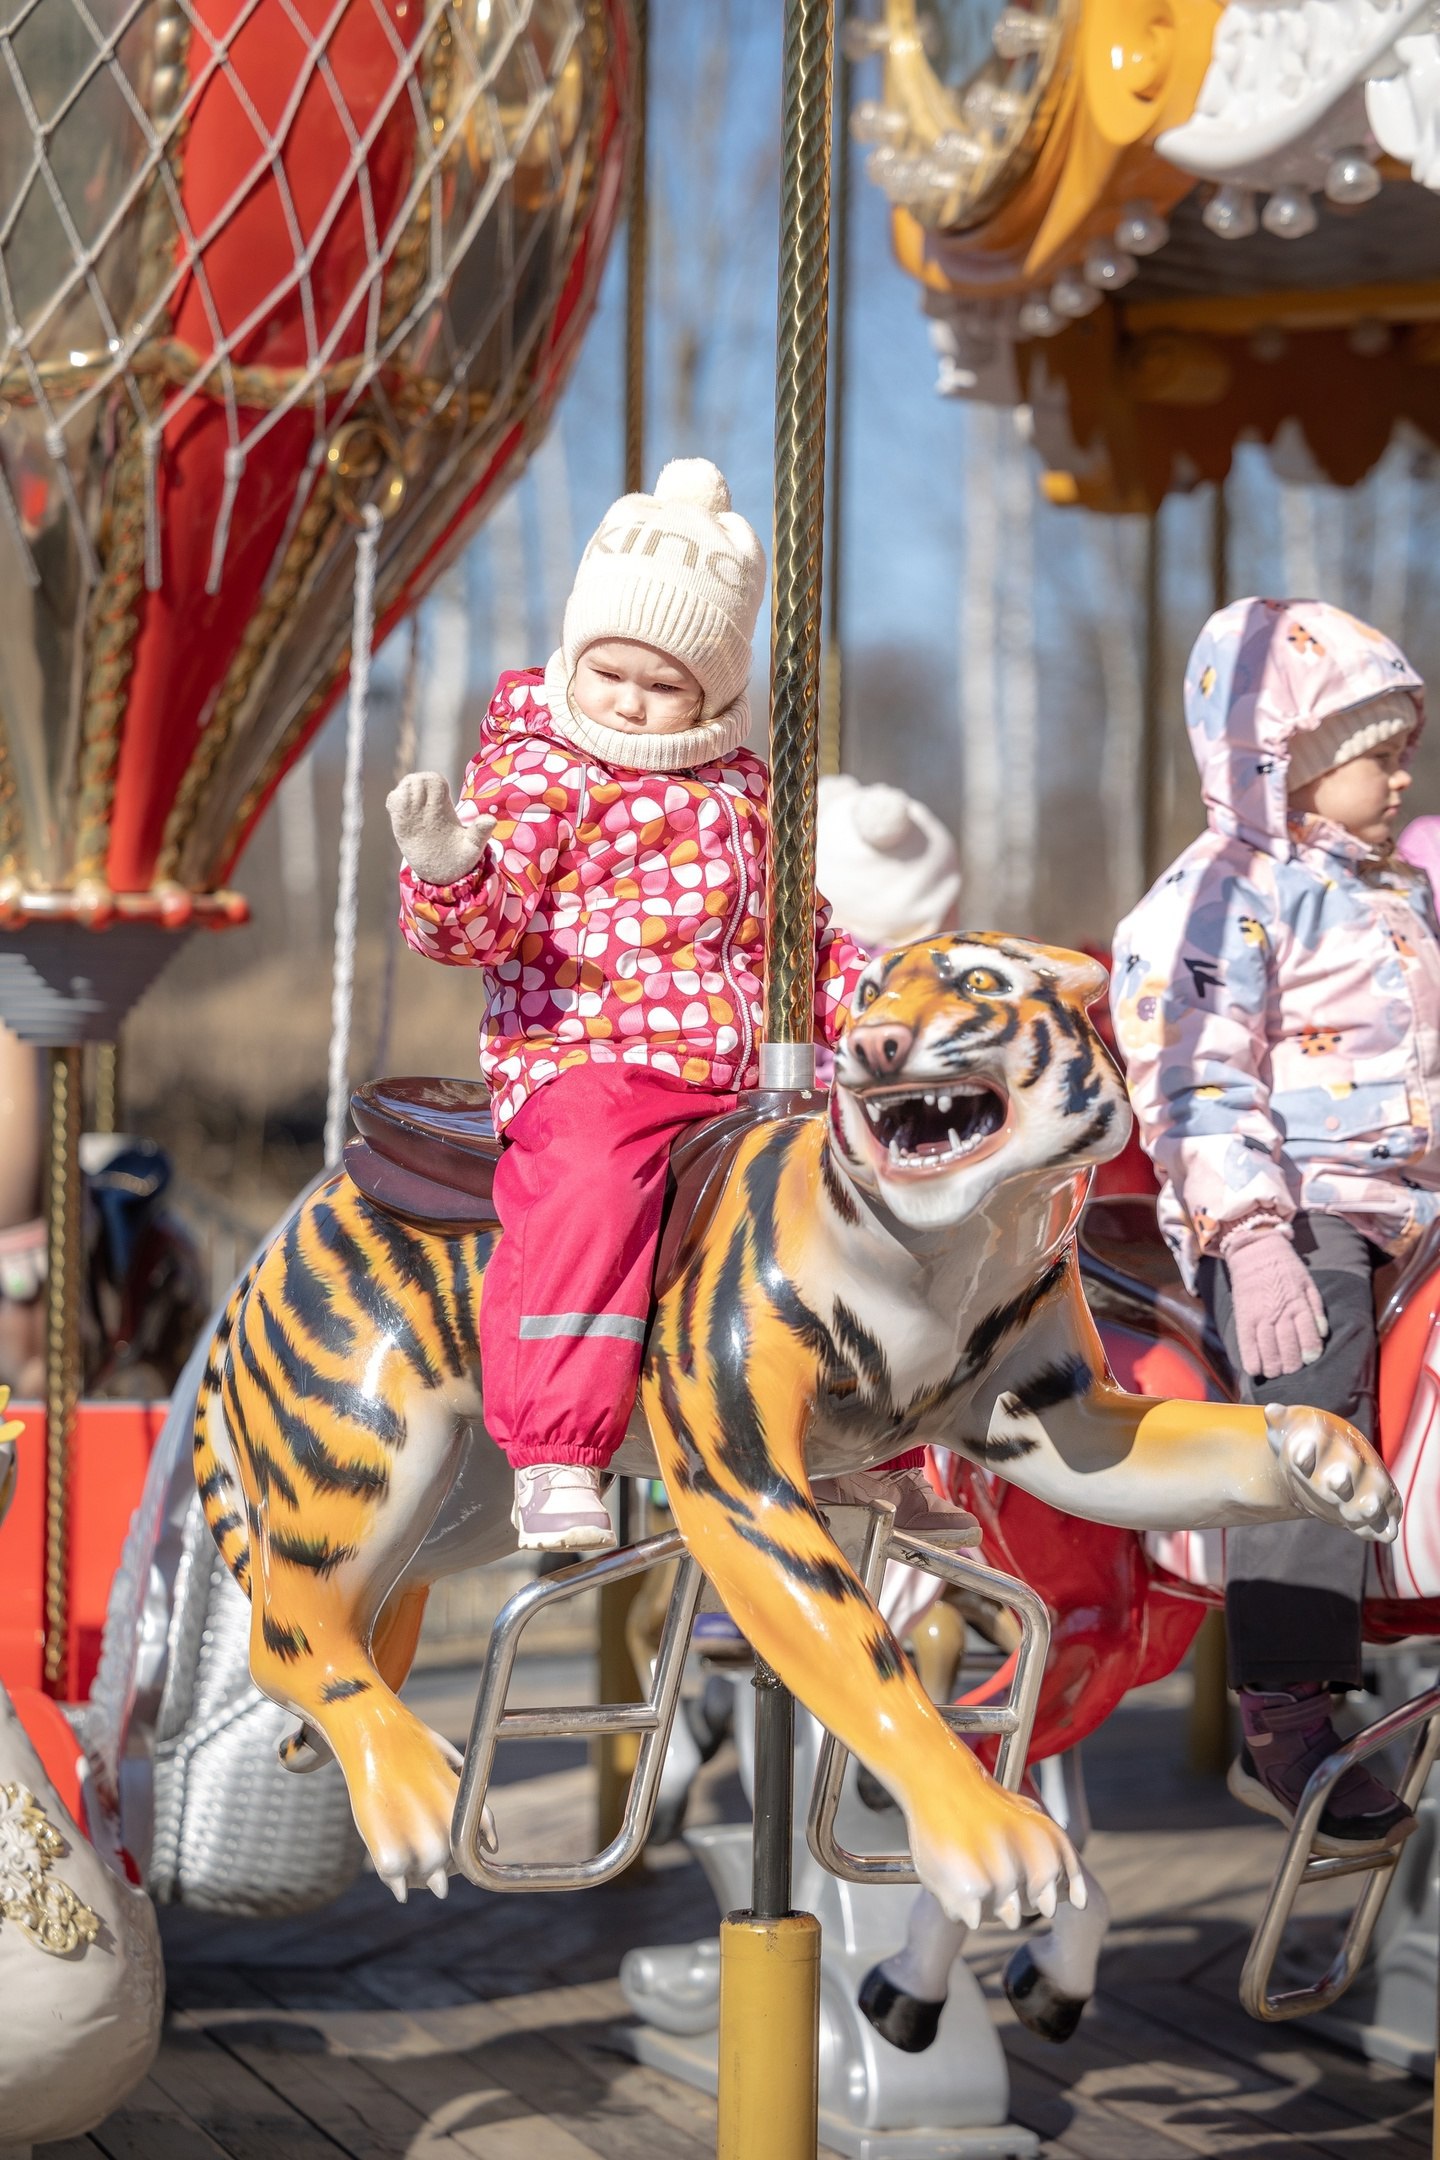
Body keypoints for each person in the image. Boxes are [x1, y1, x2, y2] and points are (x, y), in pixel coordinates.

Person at [389, 459, 946, 1553]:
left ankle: (876, 1441)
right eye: (612, 672)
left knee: (885, 1175)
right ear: (574, 654)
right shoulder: (541, 771)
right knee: (592, 1180)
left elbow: (799, 937)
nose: (630, 703)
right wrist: (452, 864)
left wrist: (879, 1004)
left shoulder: (743, 790)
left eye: (664, 684)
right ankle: (558, 1447)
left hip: (735, 1078)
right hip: (590, 1056)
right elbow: (480, 929)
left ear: (714, 690)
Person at [1112, 597, 1438, 1856]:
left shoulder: (1391, 891)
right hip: (1300, 1205)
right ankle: (1289, 1703)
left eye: (1404, 742)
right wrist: (1248, 1232)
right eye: (1373, 747)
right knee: (1315, 1399)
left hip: (1412, 1194)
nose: (1401, 766)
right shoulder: (1217, 900)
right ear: (1284, 757)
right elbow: (1191, 1075)